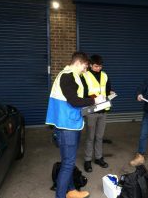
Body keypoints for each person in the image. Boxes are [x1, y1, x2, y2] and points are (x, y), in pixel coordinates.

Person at [46, 52, 105, 198]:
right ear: (78, 63)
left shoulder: (70, 75)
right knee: (67, 164)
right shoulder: (67, 75)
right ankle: (61, 195)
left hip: (70, 123)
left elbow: (74, 100)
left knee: (68, 162)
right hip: (67, 127)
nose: (86, 70)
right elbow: (74, 101)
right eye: (85, 66)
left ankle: (71, 190)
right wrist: (94, 101)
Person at [81, 54, 114, 172]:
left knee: (99, 136)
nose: (98, 68)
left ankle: (99, 158)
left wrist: (111, 93)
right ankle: (87, 160)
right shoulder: (85, 76)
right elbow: (82, 94)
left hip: (103, 110)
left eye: (100, 66)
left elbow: (108, 90)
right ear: (90, 65)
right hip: (91, 111)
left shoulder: (105, 75)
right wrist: (93, 98)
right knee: (90, 137)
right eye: (96, 66)